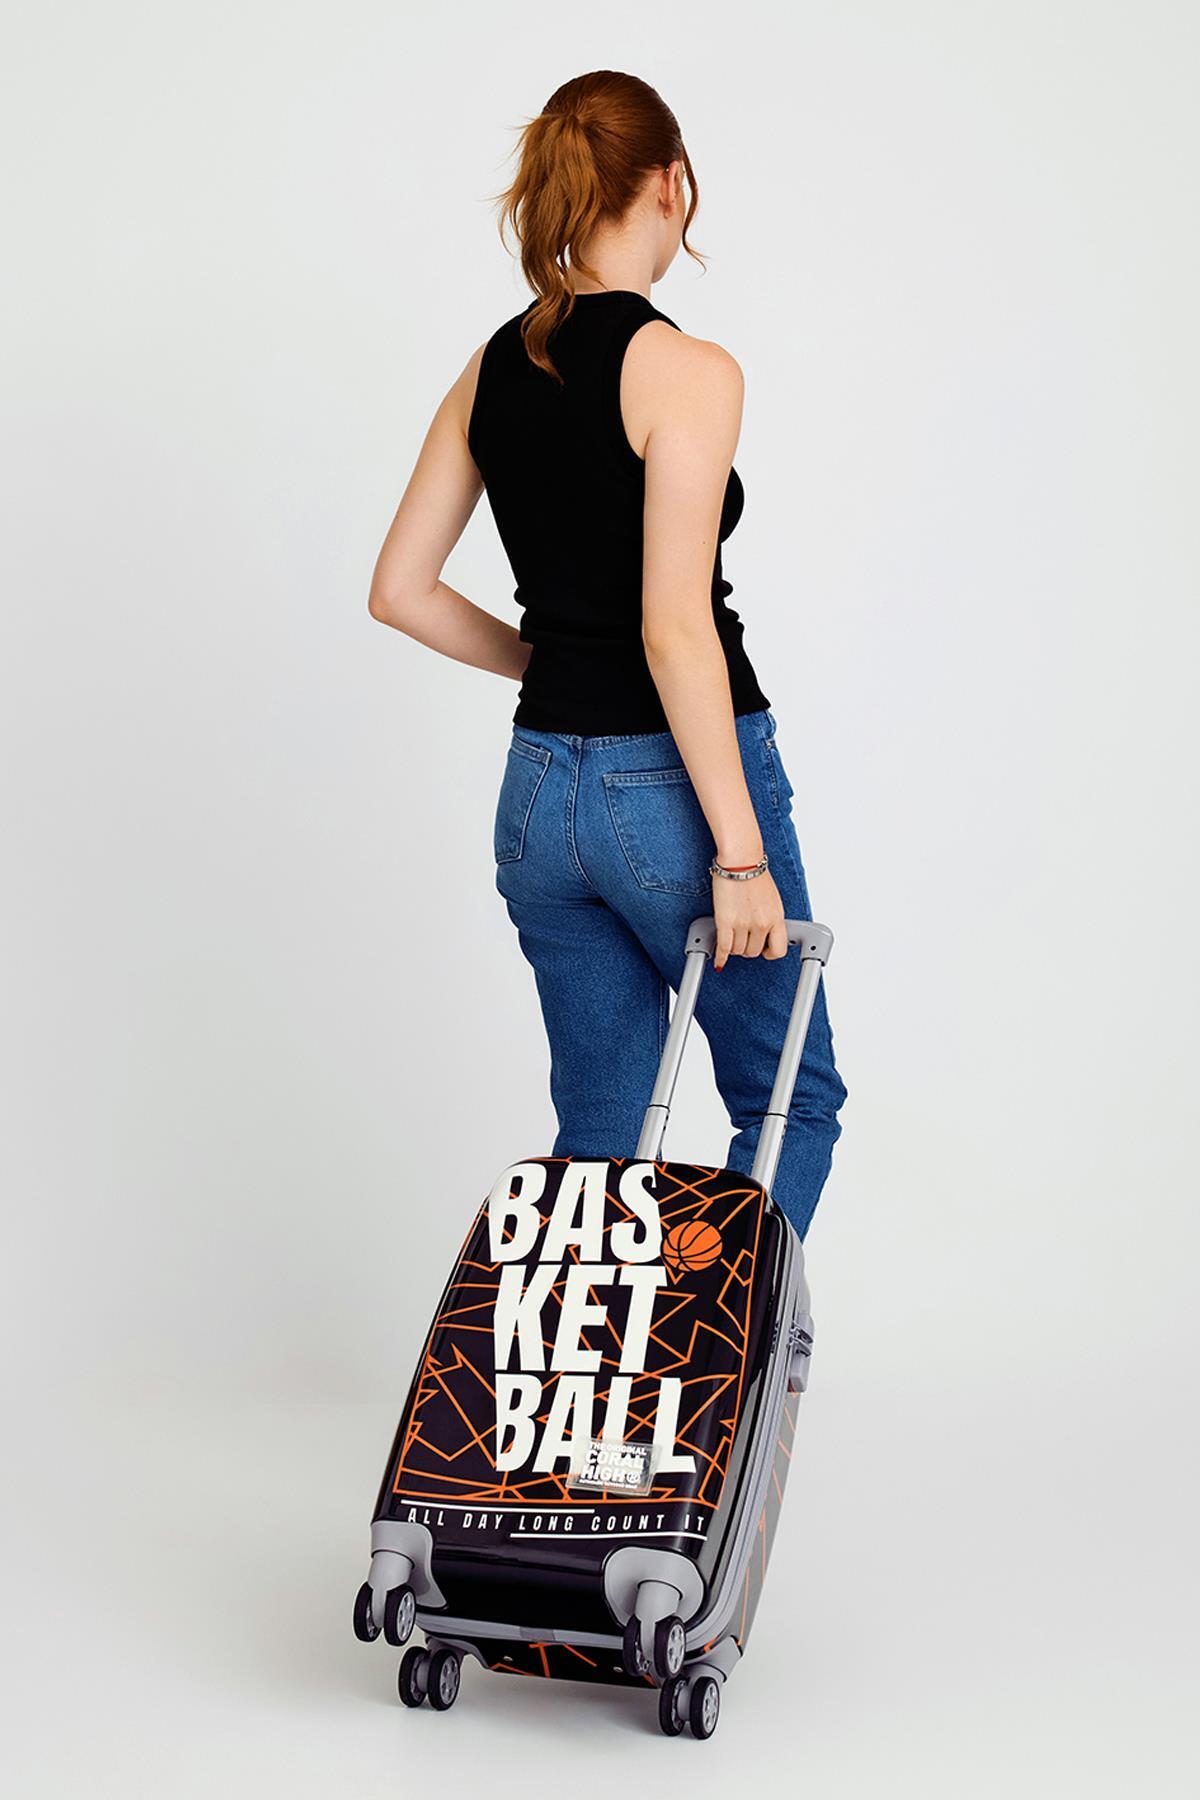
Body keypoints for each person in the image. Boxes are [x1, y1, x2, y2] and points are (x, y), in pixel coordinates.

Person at [367, 70, 847, 1239]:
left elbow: (400, 592)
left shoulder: (493, 366)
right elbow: (674, 628)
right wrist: (740, 854)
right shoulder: (690, 372)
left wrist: (546, 667)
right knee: (790, 1100)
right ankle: (716, 1350)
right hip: (672, 788)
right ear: (672, 184)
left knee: (599, 1137)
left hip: (540, 798)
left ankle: (592, 1358)